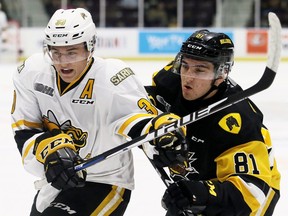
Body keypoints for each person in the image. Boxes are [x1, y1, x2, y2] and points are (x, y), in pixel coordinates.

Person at [11, 8, 187, 216]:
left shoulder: (111, 77)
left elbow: (142, 124)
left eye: (72, 52)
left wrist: (162, 135)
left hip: (105, 181)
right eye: (55, 52)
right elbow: (25, 131)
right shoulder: (32, 72)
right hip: (58, 177)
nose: (63, 61)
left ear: (90, 47)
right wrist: (50, 152)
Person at [144, 29, 281, 215]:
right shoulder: (169, 81)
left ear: (221, 73)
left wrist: (200, 193)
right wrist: (154, 130)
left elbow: (252, 192)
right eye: (184, 66)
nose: (188, 77)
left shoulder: (237, 120)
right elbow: (143, 105)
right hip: (196, 179)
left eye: (200, 70)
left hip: (249, 199)